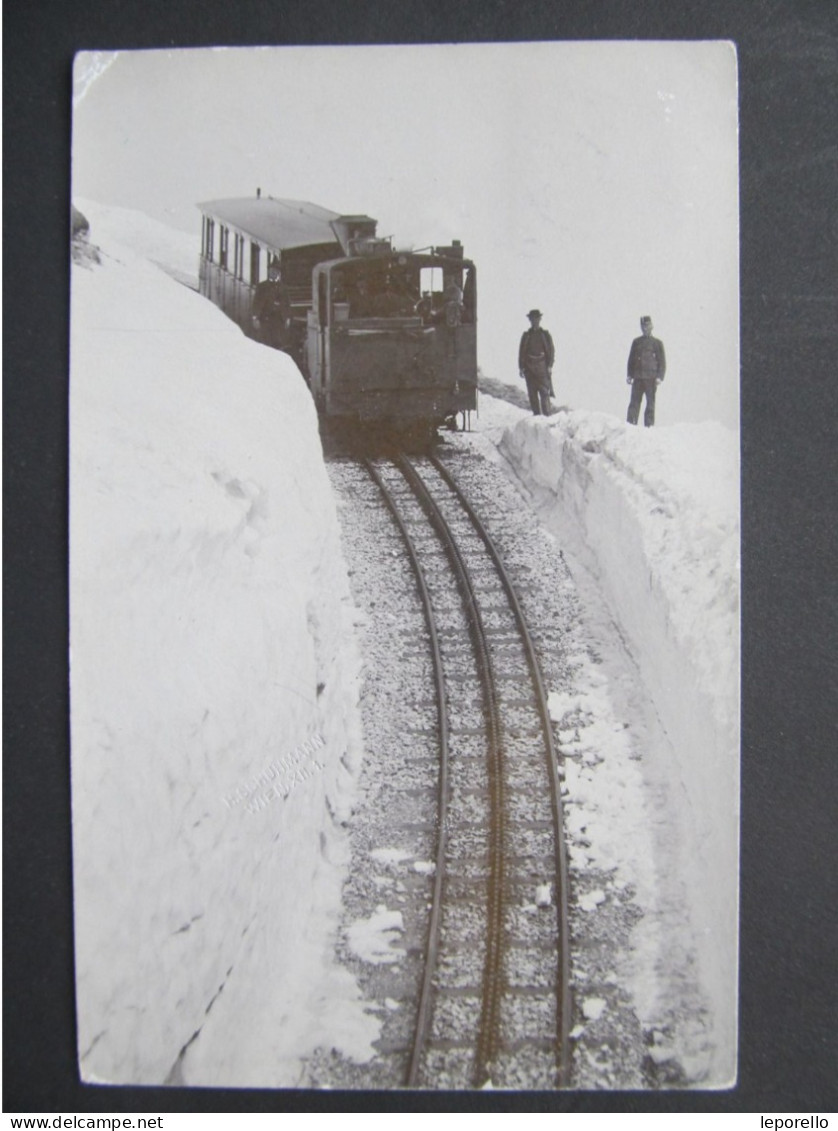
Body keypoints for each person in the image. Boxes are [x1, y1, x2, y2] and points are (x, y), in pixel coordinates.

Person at [626, 315, 666, 426]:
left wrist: (659, 377)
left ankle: (649, 428)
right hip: (638, 378)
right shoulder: (636, 342)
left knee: (650, 405)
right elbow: (631, 360)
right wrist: (629, 375)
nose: (645, 328)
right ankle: (630, 426)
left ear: (652, 326)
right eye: (643, 326)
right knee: (634, 404)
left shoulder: (657, 343)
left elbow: (662, 362)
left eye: (647, 325)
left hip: (651, 379)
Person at [518, 309, 555, 416]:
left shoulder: (545, 335)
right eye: (532, 319)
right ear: (530, 320)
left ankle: (547, 418)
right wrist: (521, 367)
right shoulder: (526, 335)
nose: (535, 321)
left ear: (540, 319)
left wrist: (549, 365)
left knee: (544, 393)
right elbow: (521, 352)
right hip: (529, 368)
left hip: (542, 367)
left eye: (536, 318)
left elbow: (551, 351)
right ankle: (537, 418)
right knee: (532, 394)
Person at [252, 264, 291, 349]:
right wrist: (255, 318)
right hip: (265, 320)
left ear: (279, 273)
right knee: (264, 344)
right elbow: (256, 302)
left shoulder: (283, 288)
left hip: (278, 321)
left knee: (278, 344)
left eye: (276, 271)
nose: (274, 272)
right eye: (272, 270)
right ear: (268, 271)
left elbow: (287, 304)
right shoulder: (262, 286)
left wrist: (287, 318)